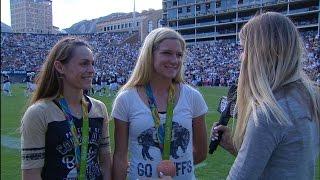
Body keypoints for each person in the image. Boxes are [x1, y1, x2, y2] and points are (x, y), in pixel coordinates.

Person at [211, 12, 320, 179]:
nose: (241, 56)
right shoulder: (309, 99)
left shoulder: (269, 114)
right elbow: (282, 164)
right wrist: (236, 148)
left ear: (259, 53)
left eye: (243, 48)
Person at [111, 27, 208, 180]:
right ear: (150, 55)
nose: (174, 60)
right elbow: (120, 157)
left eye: (179, 55)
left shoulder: (192, 97)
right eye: (167, 53)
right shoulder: (126, 99)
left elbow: (201, 152)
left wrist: (172, 169)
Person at [20, 37, 112, 180]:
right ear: (60, 67)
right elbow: (31, 174)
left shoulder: (99, 109)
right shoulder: (39, 113)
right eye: (84, 64)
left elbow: (106, 163)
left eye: (93, 64)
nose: (92, 70)